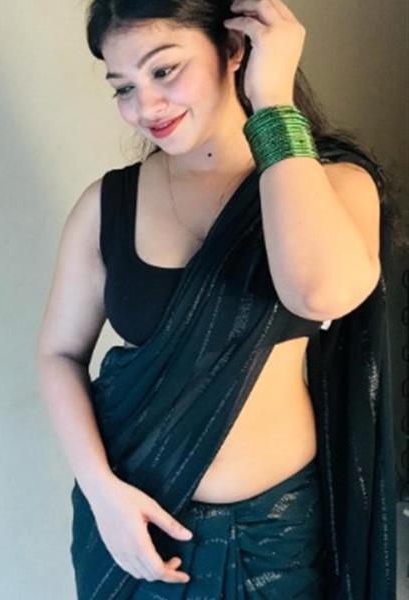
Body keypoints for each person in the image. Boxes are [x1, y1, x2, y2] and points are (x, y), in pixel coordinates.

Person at [36, 1, 399, 598]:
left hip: (275, 534)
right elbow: (59, 353)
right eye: (123, 87)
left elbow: (319, 291)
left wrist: (272, 100)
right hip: (135, 525)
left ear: (233, 49)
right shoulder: (108, 204)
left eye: (164, 70)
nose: (145, 106)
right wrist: (102, 493)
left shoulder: (334, 185)